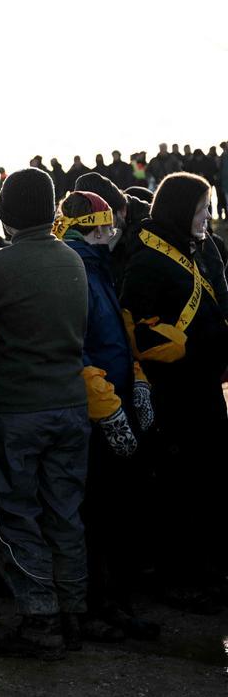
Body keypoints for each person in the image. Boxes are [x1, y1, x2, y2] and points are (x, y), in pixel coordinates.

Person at [0, 168, 91, 660]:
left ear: (6, 211)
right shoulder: (73, 260)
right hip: (70, 403)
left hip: (17, 406)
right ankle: (73, 613)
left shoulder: (0, 266)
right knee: (66, 511)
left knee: (16, 511)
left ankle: (38, 617)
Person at [53, 191, 159, 642]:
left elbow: (110, 333)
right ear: (95, 228)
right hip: (96, 412)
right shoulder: (78, 269)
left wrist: (134, 375)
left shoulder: (94, 268)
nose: (113, 235)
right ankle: (97, 605)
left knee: (113, 510)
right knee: (100, 511)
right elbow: (76, 343)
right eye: (109, 227)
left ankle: (111, 601)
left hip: (112, 395)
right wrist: (106, 404)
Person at [120, 172, 228, 613]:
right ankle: (184, 578)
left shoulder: (205, 250)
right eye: (201, 209)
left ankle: (212, 569)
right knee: (182, 485)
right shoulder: (145, 259)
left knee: (214, 479)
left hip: (205, 385)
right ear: (181, 210)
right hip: (173, 393)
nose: (207, 217)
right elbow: (136, 327)